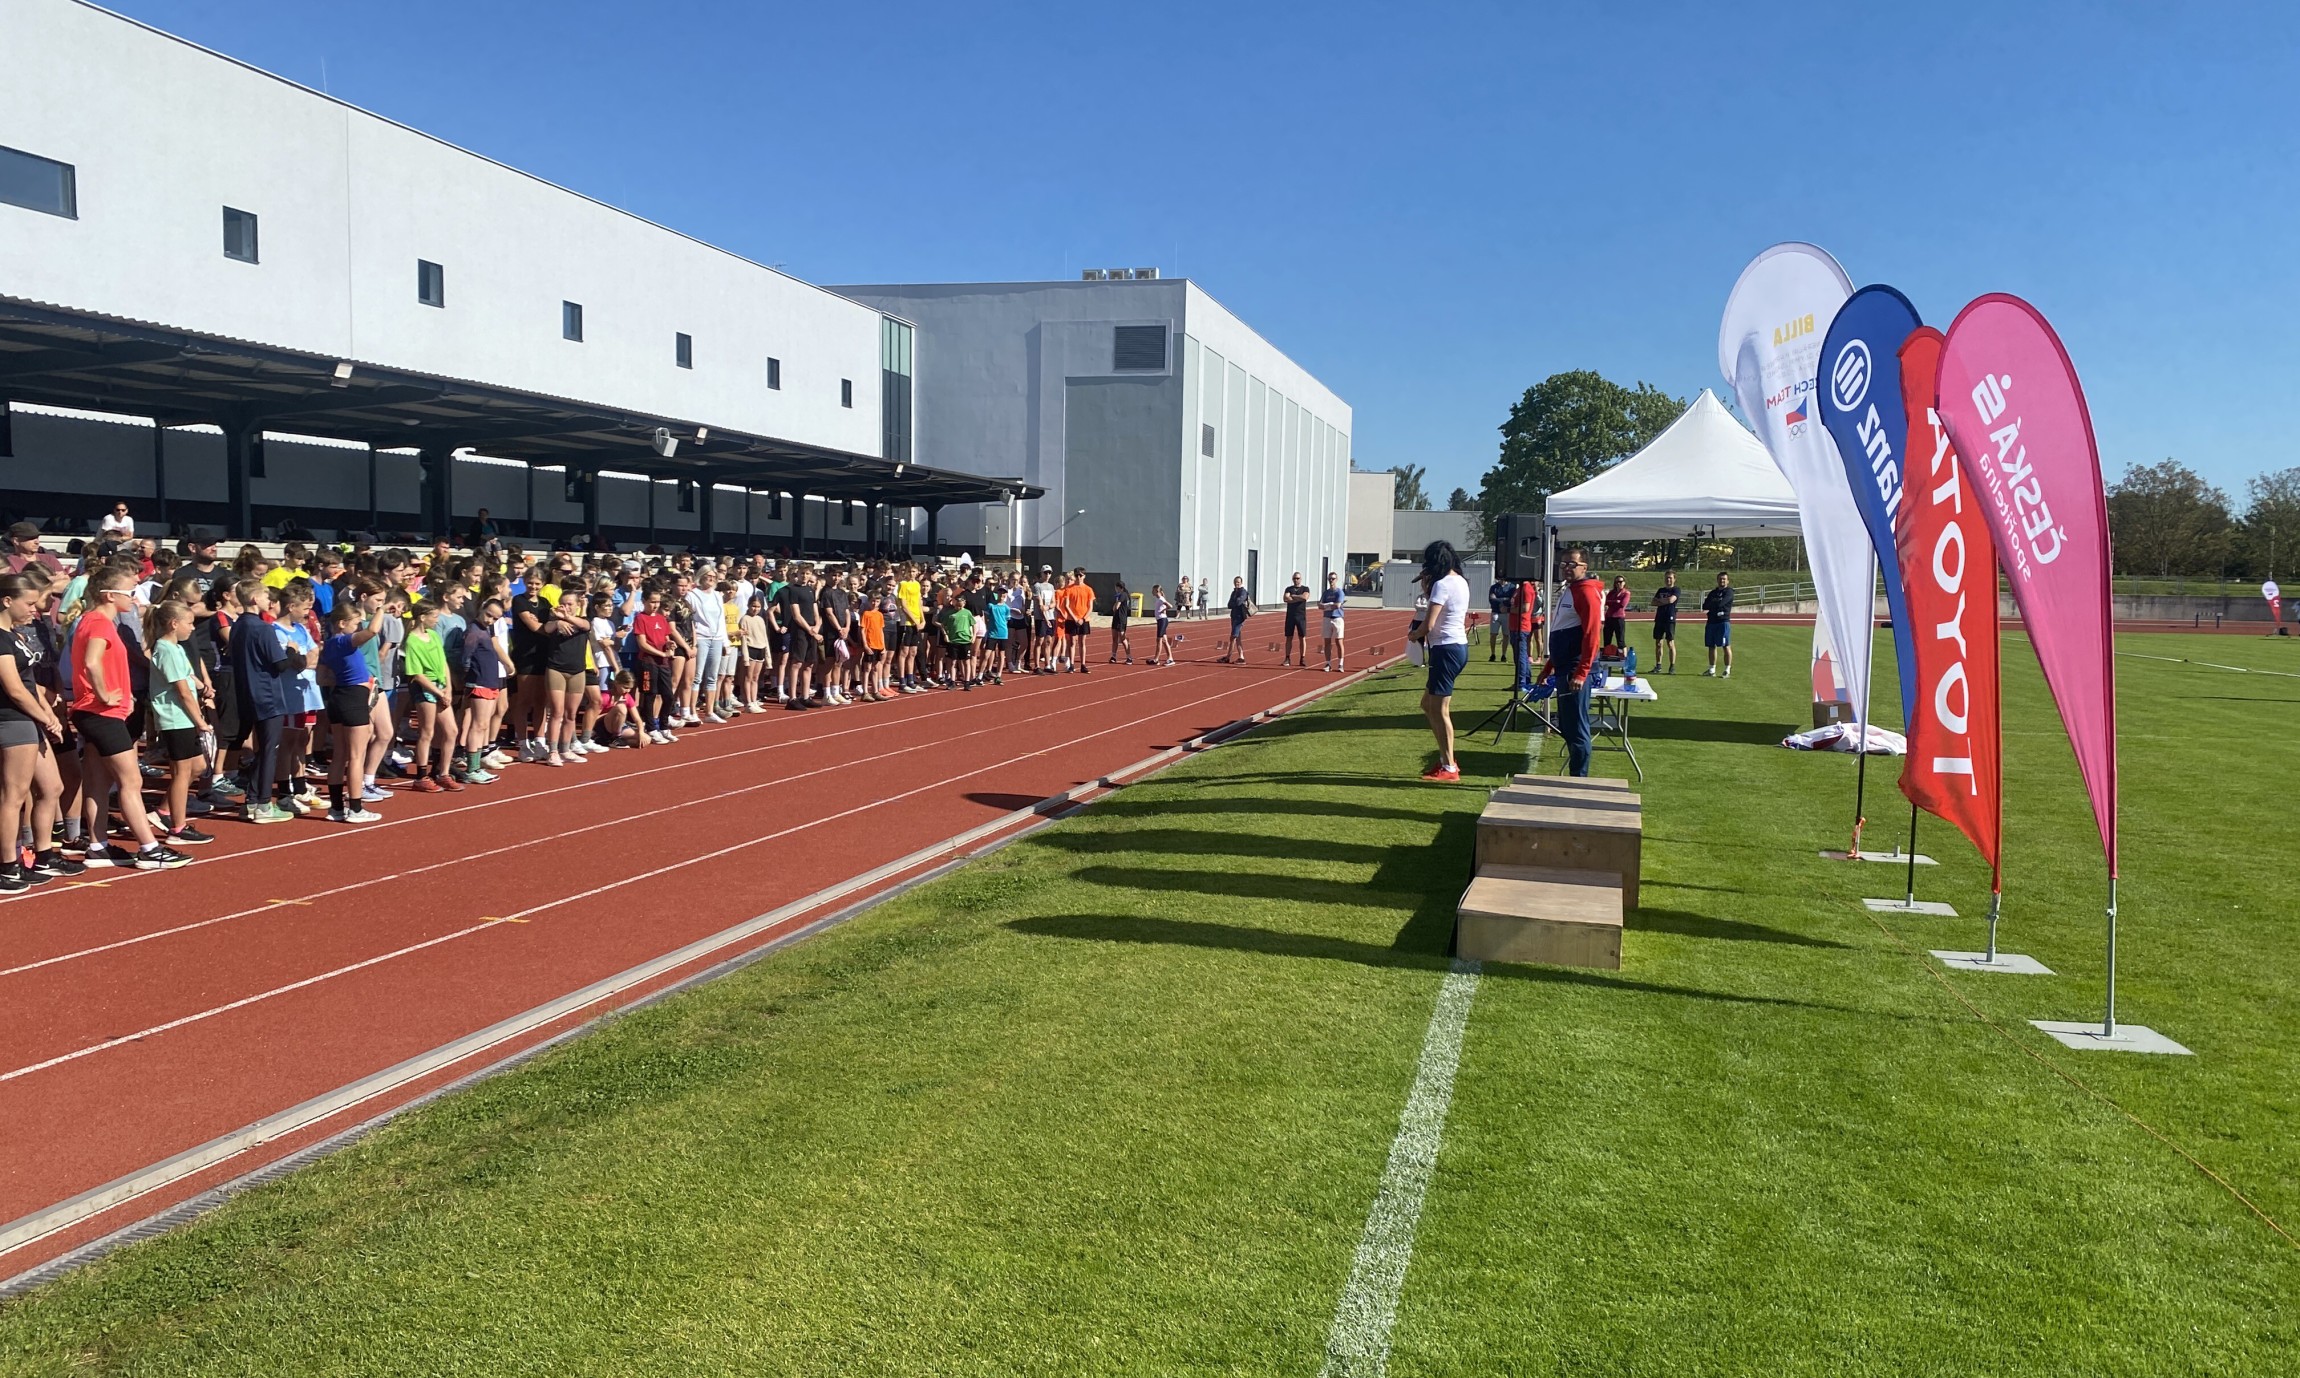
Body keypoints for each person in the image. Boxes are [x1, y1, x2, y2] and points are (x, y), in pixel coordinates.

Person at [319, 599, 386, 820]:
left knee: (340, 754)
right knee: (357, 755)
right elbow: (373, 631)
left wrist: (345, 677)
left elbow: (321, 678)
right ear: (342, 623)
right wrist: (382, 609)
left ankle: (336, 808)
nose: (358, 628)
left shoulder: (328, 645)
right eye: (355, 624)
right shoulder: (344, 641)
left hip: (338, 696)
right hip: (353, 697)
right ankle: (355, 808)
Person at [1411, 541, 1470, 782]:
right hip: (1455, 646)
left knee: (1440, 709)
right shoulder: (1460, 581)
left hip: (1445, 647)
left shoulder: (1442, 584)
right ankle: (1446, 760)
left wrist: (1413, 635)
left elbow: (1429, 624)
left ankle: (1449, 767)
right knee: (1428, 704)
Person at [1543, 548, 1605, 776]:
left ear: (1584, 567)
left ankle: (1579, 779)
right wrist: (1549, 667)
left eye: (1572, 564)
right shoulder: (1570, 590)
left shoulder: (1586, 592)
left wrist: (1581, 672)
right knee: (1568, 726)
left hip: (1574, 668)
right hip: (1564, 667)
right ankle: (1575, 776)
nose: (1566, 568)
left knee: (1577, 728)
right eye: (1563, 564)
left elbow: (1592, 635)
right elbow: (1561, 629)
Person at [1702, 571, 1735, 677]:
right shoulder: (1713, 593)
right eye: (1720, 579)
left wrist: (1713, 603)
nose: (1722, 581)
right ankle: (1711, 670)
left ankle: (1727, 670)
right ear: (1717, 580)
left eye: (1724, 579)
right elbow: (1705, 605)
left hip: (1723, 621)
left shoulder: (1729, 592)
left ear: (1727, 581)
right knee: (1711, 646)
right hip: (1711, 621)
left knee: (1725, 645)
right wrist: (1714, 604)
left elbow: (1721, 603)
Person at [1651, 571, 1681, 674]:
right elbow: (1653, 602)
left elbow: (1671, 600)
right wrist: (1665, 600)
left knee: (1670, 642)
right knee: (1658, 643)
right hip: (1660, 617)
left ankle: (1672, 666)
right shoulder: (1661, 590)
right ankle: (1658, 665)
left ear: (1674, 579)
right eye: (1667, 578)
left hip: (1669, 618)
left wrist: (1660, 601)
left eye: (1670, 578)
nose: (1668, 580)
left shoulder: (1676, 590)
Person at [1282, 572, 1312, 667]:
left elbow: (1305, 598)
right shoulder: (1288, 589)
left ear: (1300, 579)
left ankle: (1302, 658)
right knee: (1289, 637)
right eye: (1294, 578)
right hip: (1290, 616)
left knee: (1302, 637)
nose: (1296, 580)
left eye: (1298, 578)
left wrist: (1293, 596)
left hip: (1301, 616)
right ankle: (1287, 658)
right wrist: (1299, 598)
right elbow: (1286, 598)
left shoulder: (1305, 588)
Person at [1320, 571, 1347, 672]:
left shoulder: (1339, 592)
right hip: (1327, 618)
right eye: (1330, 579)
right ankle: (1328, 663)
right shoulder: (1326, 593)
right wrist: (1330, 605)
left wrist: (1327, 606)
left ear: (1336, 579)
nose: (1331, 580)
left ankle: (1340, 664)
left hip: (1337, 618)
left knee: (1339, 641)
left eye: (1333, 579)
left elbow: (1337, 605)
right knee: (1327, 642)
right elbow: (1320, 605)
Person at [1222, 577, 1253, 663]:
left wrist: (1234, 602)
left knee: (1233, 637)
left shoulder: (1243, 592)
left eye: (1238, 582)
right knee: (1237, 637)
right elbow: (1229, 604)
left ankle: (1228, 657)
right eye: (1236, 582)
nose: (1237, 583)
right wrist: (1235, 602)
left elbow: (1238, 602)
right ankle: (1241, 657)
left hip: (1240, 617)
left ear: (1241, 583)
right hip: (1234, 616)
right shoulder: (1234, 592)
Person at [1487, 573, 1515, 661]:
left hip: (1506, 613)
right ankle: (1493, 654)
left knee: (1506, 635)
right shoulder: (1494, 587)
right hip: (1496, 612)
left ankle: (1504, 655)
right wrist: (1504, 599)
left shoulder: (1511, 587)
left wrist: (1498, 599)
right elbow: (1491, 600)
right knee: (1493, 634)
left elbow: (1511, 600)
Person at [1107, 576, 1132, 665]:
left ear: (1119, 587)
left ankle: (1129, 657)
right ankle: (1113, 656)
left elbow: (1116, 607)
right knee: (1114, 638)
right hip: (1116, 618)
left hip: (1121, 619)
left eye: (1116, 587)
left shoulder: (1123, 594)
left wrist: (1114, 606)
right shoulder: (1119, 595)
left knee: (1122, 638)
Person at [1602, 576, 1630, 650]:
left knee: (1620, 640)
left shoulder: (1626, 593)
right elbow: (1605, 602)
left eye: (1620, 582)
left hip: (1619, 618)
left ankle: (1623, 655)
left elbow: (1622, 604)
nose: (1618, 584)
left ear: (1624, 583)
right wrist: (1615, 601)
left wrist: (1611, 602)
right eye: (1617, 582)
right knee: (1607, 639)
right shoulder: (1612, 592)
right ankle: (1606, 654)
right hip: (1609, 617)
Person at [1150, 584, 1176, 666]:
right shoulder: (1158, 599)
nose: (1152, 592)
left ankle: (1156, 659)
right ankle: (1170, 658)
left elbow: (1170, 606)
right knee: (1164, 640)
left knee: (1159, 640)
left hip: (1162, 620)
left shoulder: (1161, 599)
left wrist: (1164, 609)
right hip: (1160, 620)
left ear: (1157, 591)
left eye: (1153, 590)